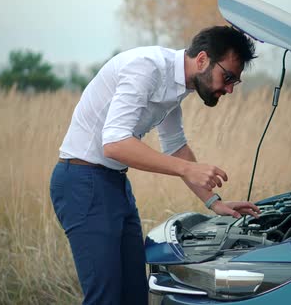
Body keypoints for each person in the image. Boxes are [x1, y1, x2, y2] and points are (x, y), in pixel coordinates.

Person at [50, 26, 261, 305]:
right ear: (202, 60)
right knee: (106, 298)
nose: (230, 88)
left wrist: (213, 202)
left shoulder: (178, 87)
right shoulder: (146, 69)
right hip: (82, 182)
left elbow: (175, 146)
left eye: (236, 81)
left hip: (114, 183)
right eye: (229, 77)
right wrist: (186, 169)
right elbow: (114, 143)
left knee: (136, 295)